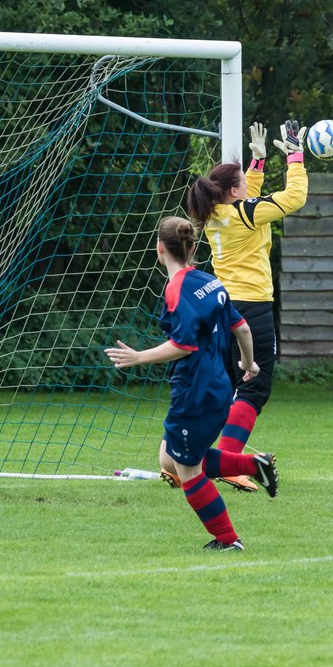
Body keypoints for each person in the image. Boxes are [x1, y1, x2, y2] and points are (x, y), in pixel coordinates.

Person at [105, 216, 279, 552]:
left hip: (194, 392)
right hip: (219, 387)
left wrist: (140, 357)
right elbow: (241, 329)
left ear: (160, 250)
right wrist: (248, 362)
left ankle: (228, 540)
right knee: (169, 460)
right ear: (193, 248)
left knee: (187, 471)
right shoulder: (210, 282)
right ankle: (252, 465)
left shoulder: (177, 288)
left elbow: (184, 344)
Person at [179, 120, 309, 492]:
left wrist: (257, 163)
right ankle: (231, 463)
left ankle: (182, 461)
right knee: (254, 387)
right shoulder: (245, 213)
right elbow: (294, 198)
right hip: (250, 307)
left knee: (221, 385)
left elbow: (242, 194)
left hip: (219, 305)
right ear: (233, 190)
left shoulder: (214, 214)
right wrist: (295, 154)